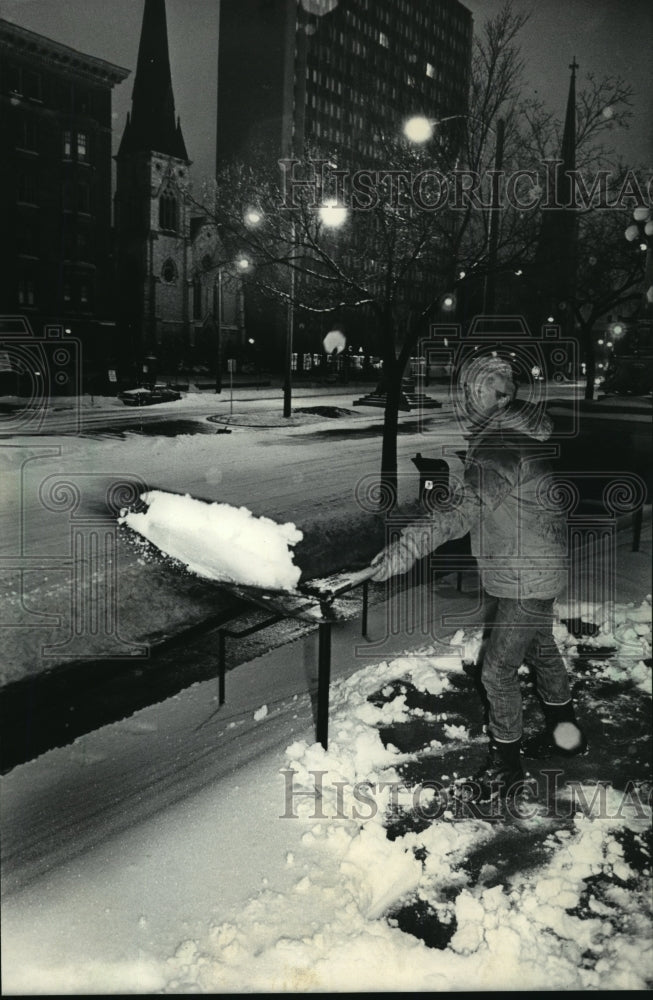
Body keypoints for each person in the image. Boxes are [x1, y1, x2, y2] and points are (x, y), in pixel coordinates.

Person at [370, 352, 587, 801]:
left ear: (487, 396)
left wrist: (405, 548)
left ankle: (506, 769)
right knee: (542, 650)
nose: (464, 399)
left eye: (472, 391)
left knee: (498, 670)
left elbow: (462, 510)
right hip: (540, 568)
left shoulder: (498, 444)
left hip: (526, 576)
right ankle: (568, 736)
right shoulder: (520, 435)